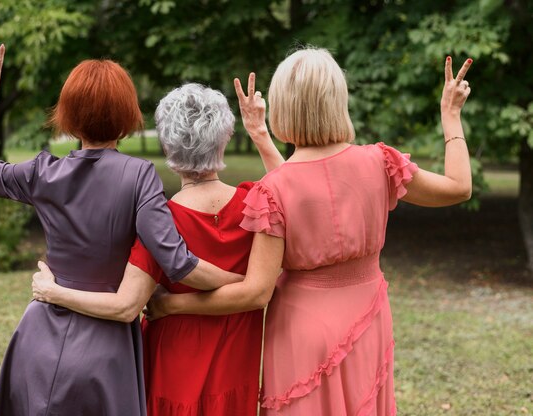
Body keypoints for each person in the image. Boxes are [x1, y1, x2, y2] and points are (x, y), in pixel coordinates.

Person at [143, 48, 473, 415]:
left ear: (284, 105)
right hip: (368, 317)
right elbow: (458, 187)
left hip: (300, 330)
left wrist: (170, 305)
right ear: (338, 99)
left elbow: (255, 291)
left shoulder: (273, 191)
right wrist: (451, 115)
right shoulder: (380, 162)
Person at [0, 40, 244, 416]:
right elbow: (178, 263)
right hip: (105, 348)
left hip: (37, 336)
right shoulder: (138, 175)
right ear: (127, 117)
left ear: (69, 117)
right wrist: (241, 282)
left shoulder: (43, 172)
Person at [31, 81, 284, 416]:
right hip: (236, 369)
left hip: (172, 371)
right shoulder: (258, 204)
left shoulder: (159, 222)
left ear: (167, 148)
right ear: (225, 139)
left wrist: (53, 292)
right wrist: (259, 133)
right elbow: (290, 190)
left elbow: (125, 303)